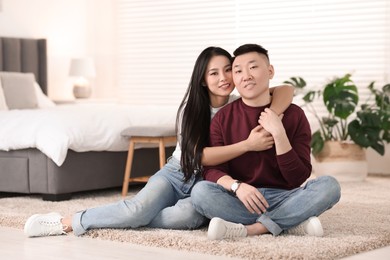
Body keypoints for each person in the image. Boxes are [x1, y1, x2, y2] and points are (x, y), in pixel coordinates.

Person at [23, 46, 294, 237]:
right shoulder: (192, 109)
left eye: (227, 70)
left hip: (209, 183)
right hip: (177, 174)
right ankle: (69, 221)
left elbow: (285, 89)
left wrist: (271, 117)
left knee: (189, 218)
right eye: (213, 73)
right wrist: (248, 144)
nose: (223, 78)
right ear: (202, 79)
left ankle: (127, 217)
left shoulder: (241, 104)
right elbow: (196, 157)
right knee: (139, 209)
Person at [191, 43, 341, 240]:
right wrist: (238, 187)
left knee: (330, 186)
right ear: (234, 79)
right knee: (200, 192)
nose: (246, 76)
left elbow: (298, 177)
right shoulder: (223, 118)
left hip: (286, 196)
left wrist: (279, 134)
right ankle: (292, 222)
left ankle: (254, 228)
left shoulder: (295, 115)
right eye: (238, 71)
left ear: (270, 71)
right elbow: (212, 170)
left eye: (253, 67)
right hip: (243, 197)